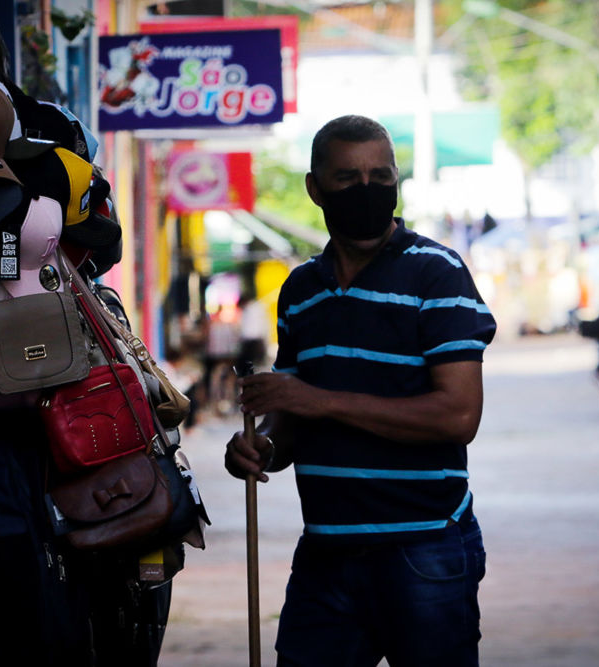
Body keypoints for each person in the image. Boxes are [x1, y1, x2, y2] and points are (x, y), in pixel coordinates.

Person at [224, 115, 497, 666]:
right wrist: (264, 449)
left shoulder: (437, 274)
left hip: (423, 549)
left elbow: (458, 416)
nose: (367, 190)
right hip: (325, 554)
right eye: (348, 178)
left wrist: (317, 401)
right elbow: (293, 421)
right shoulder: (301, 290)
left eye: (381, 175)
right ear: (315, 188)